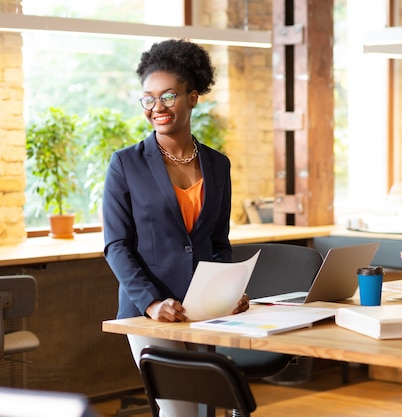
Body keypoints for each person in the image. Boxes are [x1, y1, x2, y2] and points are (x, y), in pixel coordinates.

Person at [103, 38, 248, 417]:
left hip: (203, 310)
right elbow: (116, 245)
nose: (157, 107)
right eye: (148, 99)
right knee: (180, 411)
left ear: (193, 97)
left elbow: (218, 242)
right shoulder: (125, 165)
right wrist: (151, 302)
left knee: (207, 409)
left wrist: (228, 291)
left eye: (168, 96)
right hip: (147, 312)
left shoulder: (218, 166)